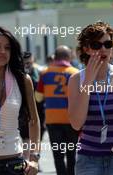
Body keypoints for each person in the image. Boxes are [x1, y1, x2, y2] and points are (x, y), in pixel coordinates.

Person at [68, 21, 113, 175]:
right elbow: (76, 124)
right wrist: (88, 81)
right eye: (96, 45)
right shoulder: (77, 80)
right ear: (86, 49)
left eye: (107, 44)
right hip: (88, 160)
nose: (103, 49)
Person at [0, 26, 40, 175]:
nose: (2, 51)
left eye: (7, 48)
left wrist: (34, 157)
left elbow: (33, 120)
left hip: (14, 165)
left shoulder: (22, 80)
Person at [35, 45, 79, 175]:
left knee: (58, 154)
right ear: (68, 57)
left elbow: (38, 97)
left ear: (55, 57)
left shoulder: (45, 73)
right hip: (71, 120)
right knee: (72, 154)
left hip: (53, 120)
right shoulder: (75, 73)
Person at [21, 52, 46, 161]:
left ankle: (34, 159)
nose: (28, 65)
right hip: (24, 110)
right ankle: (27, 160)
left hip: (39, 108)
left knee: (37, 136)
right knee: (26, 137)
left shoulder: (39, 72)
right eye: (26, 63)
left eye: (30, 62)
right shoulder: (20, 75)